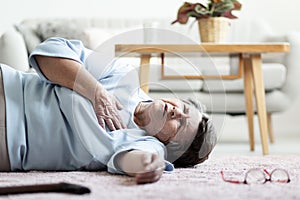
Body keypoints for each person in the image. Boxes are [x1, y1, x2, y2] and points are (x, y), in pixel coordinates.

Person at [0, 37, 216, 184]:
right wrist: (96, 92)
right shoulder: (124, 75)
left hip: (9, 146)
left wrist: (148, 166)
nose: (177, 112)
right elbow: (48, 52)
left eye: (181, 124)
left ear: (171, 147)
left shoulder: (146, 144)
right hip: (8, 89)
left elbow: (136, 160)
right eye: (184, 108)